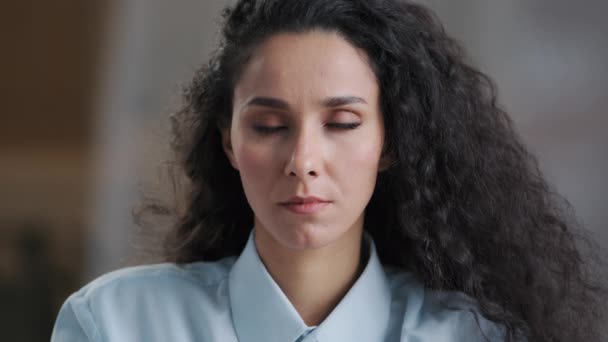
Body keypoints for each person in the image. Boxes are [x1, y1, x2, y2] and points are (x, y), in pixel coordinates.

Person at [51, 0, 607, 341]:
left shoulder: (470, 336)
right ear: (229, 140)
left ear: (389, 142)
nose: (302, 163)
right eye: (270, 126)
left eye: (341, 122)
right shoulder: (116, 323)